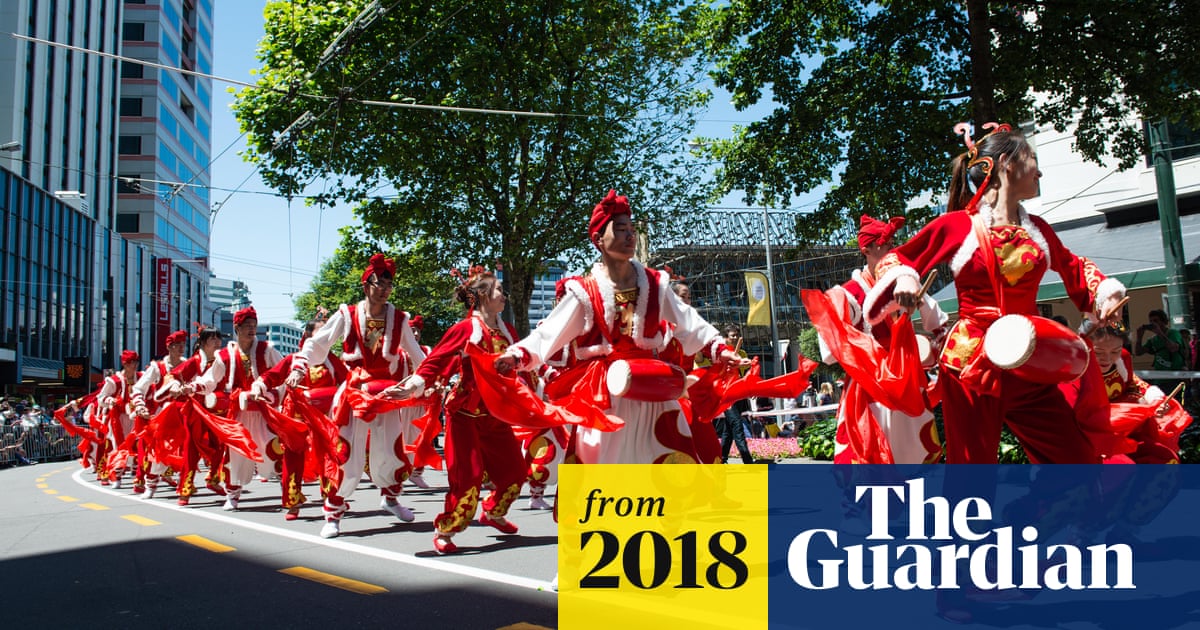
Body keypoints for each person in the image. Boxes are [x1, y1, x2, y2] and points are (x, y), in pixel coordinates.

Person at [865, 122, 1125, 463]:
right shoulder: (957, 225)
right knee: (972, 471)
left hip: (1030, 359)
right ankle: (969, 517)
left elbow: (1074, 268)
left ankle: (1049, 515)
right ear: (1006, 164)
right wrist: (906, 280)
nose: (1040, 171)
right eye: (1032, 158)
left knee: (1074, 459)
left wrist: (1105, 295)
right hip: (972, 363)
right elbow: (899, 258)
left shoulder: (1039, 231)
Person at [494, 190, 745, 465]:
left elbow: (689, 322)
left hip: (654, 393)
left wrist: (721, 349)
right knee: (604, 471)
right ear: (599, 239)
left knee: (670, 463)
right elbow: (549, 334)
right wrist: (516, 356)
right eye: (621, 229)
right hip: (605, 397)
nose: (630, 236)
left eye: (632, 229)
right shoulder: (585, 293)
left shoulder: (655, 284)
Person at [286, 253, 426, 539]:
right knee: (346, 454)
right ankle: (334, 512)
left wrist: (431, 379)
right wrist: (300, 366)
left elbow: (418, 356)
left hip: (386, 395)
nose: (385, 288)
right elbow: (318, 343)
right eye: (379, 283)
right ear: (366, 285)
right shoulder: (347, 315)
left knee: (391, 450)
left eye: (389, 284)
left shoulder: (399, 319)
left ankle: (390, 498)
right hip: (353, 394)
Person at [398, 268, 528, 554]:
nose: (503, 296)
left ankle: (492, 513)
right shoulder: (466, 328)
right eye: (498, 290)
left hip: (496, 416)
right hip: (465, 415)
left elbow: (521, 368)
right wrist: (415, 384)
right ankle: (445, 529)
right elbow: (436, 360)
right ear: (482, 295)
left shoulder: (509, 332)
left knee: (517, 473)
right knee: (466, 480)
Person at [189, 306, 285, 510]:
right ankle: (232, 495)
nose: (251, 329)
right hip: (238, 413)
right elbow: (210, 380)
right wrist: (193, 387)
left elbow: (282, 373)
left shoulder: (267, 350)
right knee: (235, 455)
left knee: (274, 451)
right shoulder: (225, 355)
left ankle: (289, 494)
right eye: (247, 326)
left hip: (264, 412)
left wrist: (275, 395)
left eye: (254, 325)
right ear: (237, 328)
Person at [254, 317, 348, 520]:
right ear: (307, 336)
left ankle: (331, 498)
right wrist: (259, 385)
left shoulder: (332, 361)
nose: (326, 337)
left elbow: (347, 382)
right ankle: (292, 502)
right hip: (296, 416)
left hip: (323, 418)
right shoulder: (295, 359)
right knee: (293, 457)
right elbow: (272, 376)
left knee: (329, 457)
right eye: (321, 332)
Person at [130, 329, 189, 499]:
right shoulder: (158, 367)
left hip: (185, 411)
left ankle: (185, 485)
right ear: (169, 347)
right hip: (164, 413)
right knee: (160, 449)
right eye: (178, 345)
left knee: (189, 448)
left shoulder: (188, 364)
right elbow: (139, 387)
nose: (181, 348)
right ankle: (151, 484)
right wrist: (140, 405)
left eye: (183, 345)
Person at [95, 350, 143, 487]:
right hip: (118, 419)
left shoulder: (140, 377)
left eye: (136, 362)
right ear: (125, 364)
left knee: (138, 445)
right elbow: (101, 398)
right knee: (117, 446)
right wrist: (111, 400)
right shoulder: (114, 381)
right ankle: (116, 474)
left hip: (136, 417)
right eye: (131, 363)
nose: (134, 365)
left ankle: (138, 476)